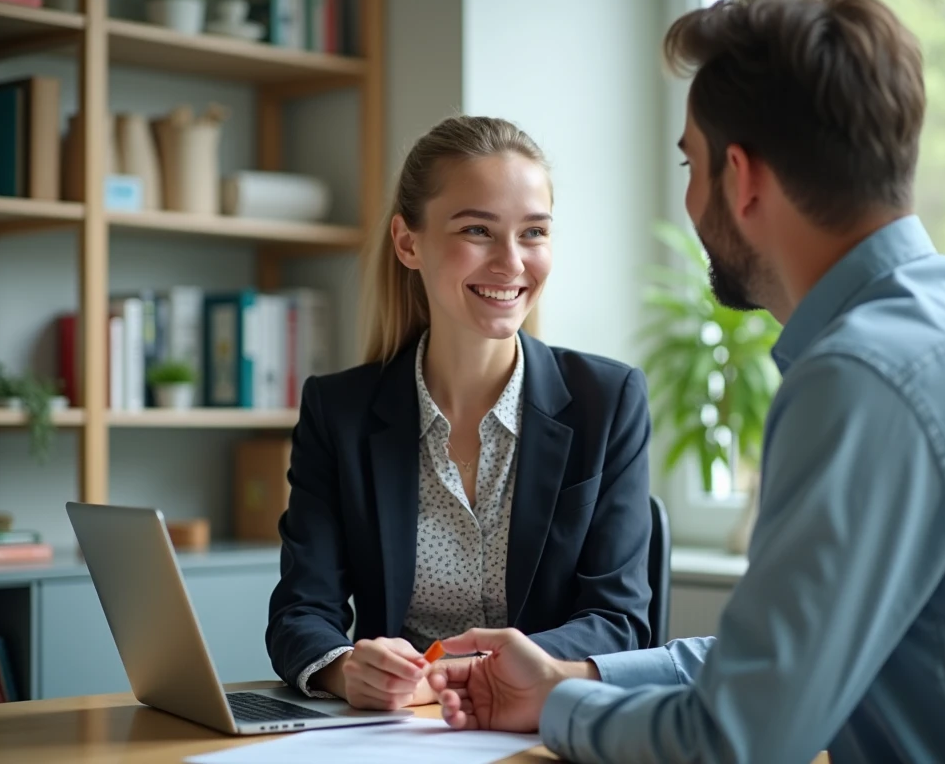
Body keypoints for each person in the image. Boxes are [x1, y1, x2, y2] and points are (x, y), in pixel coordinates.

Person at [426, 0, 945, 762]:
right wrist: (578, 675)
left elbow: (737, 738)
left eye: (689, 165)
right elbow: (784, 667)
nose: (691, 200)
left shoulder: (867, 377)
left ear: (743, 177)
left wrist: (564, 711)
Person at [266, 115, 654, 711]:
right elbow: (300, 611)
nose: (511, 262)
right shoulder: (336, 411)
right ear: (408, 242)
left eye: (533, 232)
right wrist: (346, 668)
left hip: (542, 730)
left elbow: (618, 621)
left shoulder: (609, 401)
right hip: (391, 737)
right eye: (478, 229)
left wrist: (457, 672)